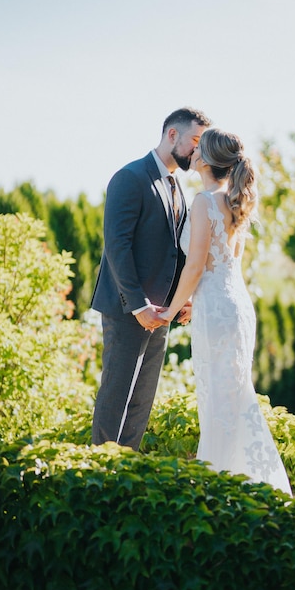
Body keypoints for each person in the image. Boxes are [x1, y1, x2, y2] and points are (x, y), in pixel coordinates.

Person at [159, 128, 292, 495]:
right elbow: (228, 265)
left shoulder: (203, 202)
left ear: (205, 159)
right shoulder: (235, 202)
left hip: (217, 313)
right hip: (236, 307)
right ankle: (246, 483)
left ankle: (216, 486)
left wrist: (169, 312)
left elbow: (197, 267)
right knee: (233, 396)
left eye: (198, 148)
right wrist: (195, 299)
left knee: (218, 399)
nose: (192, 151)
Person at [91, 107, 212, 450]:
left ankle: (126, 473)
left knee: (142, 400)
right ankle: (99, 475)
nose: (198, 150)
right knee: (116, 396)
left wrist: (181, 300)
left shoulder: (177, 187)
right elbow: (118, 246)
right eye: (195, 140)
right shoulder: (130, 177)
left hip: (161, 314)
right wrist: (138, 305)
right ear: (172, 135)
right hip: (128, 309)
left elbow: (174, 252)